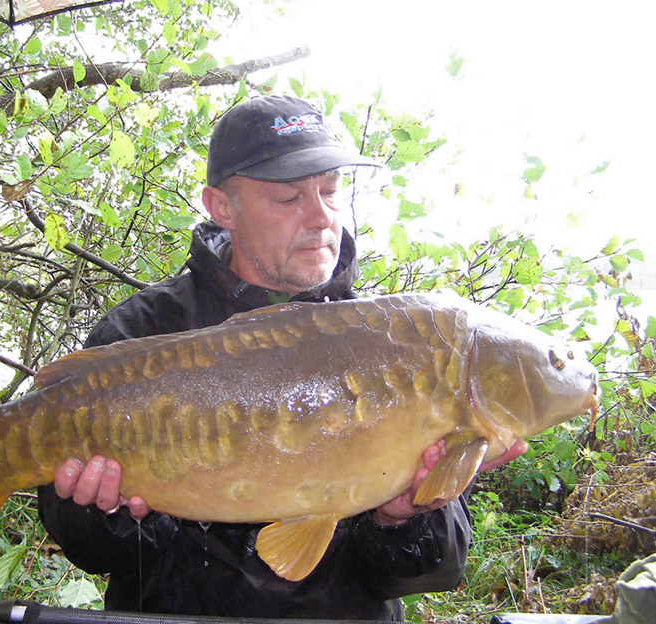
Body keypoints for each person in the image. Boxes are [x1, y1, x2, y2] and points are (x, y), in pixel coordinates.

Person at [37, 95, 526, 619]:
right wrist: (110, 513)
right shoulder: (143, 331)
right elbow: (91, 549)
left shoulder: (399, 348)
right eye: (289, 198)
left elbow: (436, 571)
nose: (321, 217)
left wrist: (400, 518)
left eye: (331, 191)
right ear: (223, 207)